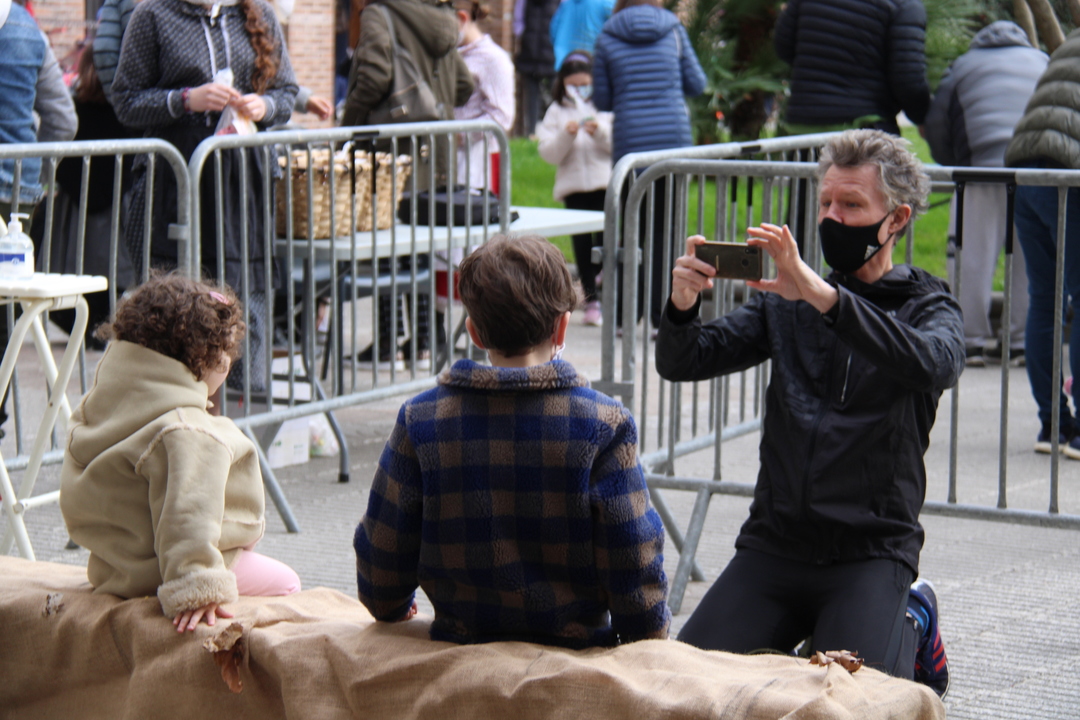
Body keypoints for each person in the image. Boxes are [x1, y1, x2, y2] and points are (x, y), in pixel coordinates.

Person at [658, 130, 962, 697]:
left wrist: (827, 299)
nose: (832, 218)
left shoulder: (927, 305)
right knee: (680, 690)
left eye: (851, 205)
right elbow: (686, 360)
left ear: (896, 219)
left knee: (852, 701)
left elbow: (935, 363)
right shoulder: (789, 301)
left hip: (869, 551)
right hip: (776, 544)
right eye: (825, 203)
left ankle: (913, 619)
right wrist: (682, 305)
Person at [354, 234, 671, 647]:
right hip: (573, 655)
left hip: (459, 648)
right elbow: (633, 557)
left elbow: (382, 556)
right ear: (562, 326)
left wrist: (392, 606)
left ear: (474, 332)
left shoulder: (421, 418)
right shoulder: (605, 424)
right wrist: (646, 636)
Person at [60, 273, 301, 633]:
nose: (230, 362)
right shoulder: (186, 431)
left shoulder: (103, 408)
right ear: (203, 358)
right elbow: (188, 515)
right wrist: (197, 587)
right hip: (167, 568)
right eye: (226, 353)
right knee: (288, 583)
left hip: (115, 567)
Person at [110, 0, 299, 394]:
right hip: (174, 184)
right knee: (174, 301)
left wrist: (263, 105)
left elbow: (286, 92)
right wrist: (185, 100)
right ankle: (171, 405)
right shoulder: (153, 15)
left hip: (243, 188)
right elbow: (126, 101)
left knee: (245, 296)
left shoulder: (259, 12)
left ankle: (244, 407)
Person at [342, 0, 474, 369]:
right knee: (420, 247)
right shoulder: (443, 18)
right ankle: (424, 340)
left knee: (387, 246)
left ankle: (387, 344)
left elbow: (373, 76)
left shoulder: (379, 13)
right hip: (437, 150)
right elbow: (464, 86)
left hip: (393, 150)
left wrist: (349, 126)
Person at [925, 20, 1046, 367]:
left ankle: (969, 340)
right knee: (1030, 257)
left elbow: (937, 123)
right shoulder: (1042, 61)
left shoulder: (963, 65)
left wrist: (954, 163)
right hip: (1034, 170)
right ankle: (1021, 342)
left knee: (971, 254)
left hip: (979, 171)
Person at [774, 0, 931, 252]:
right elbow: (909, 79)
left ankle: (797, 276)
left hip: (806, 125)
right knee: (864, 238)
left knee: (803, 227)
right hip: (865, 133)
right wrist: (923, 117)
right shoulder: (903, 5)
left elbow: (783, 45)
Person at [593, 0, 706, 331]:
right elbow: (697, 83)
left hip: (631, 146)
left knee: (631, 230)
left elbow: (602, 99)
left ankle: (623, 316)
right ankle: (662, 316)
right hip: (673, 142)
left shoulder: (607, 34)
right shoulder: (673, 29)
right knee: (667, 231)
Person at [1006, 28, 1080, 459]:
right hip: (1069, 171)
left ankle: (1053, 425)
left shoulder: (1072, 40)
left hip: (1025, 170)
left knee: (1046, 300)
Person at [48, 42, 136, 346]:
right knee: (114, 267)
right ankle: (99, 329)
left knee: (75, 263)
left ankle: (86, 330)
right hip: (116, 202)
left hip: (77, 204)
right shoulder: (124, 115)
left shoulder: (75, 109)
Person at [537, 50, 612, 327]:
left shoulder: (605, 106)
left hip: (605, 184)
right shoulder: (556, 112)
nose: (580, 90)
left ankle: (605, 284)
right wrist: (566, 135)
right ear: (563, 84)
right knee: (582, 244)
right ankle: (591, 300)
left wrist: (599, 132)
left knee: (606, 239)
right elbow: (548, 153)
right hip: (574, 188)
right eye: (573, 85)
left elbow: (618, 143)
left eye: (585, 84)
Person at [453, 0, 514, 191]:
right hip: (449, 157)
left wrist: (460, 135)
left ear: (462, 18)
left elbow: (502, 115)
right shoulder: (446, 55)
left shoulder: (493, 59)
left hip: (479, 159)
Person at [514, 0, 558, 136]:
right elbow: (518, 23)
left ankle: (553, 131)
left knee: (555, 95)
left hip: (544, 54)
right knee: (532, 98)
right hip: (534, 53)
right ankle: (532, 133)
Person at [549, 0, 613, 71]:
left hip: (564, 62)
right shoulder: (606, 3)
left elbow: (553, 31)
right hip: (592, 64)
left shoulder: (566, 4)